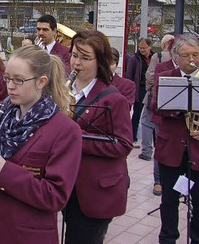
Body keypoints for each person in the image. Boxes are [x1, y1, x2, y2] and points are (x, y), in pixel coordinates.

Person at [0, 45, 82, 244]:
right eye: (7, 78)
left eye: (18, 80)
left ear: (41, 82)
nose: (10, 86)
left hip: (23, 234)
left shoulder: (65, 130)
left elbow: (55, 196)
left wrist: (4, 169)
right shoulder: (2, 118)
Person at [63, 30, 133, 243]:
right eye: (74, 55)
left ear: (99, 61)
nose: (77, 63)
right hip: (69, 185)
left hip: (96, 190)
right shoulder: (63, 91)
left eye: (85, 58)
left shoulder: (113, 99)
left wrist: (76, 137)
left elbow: (123, 145)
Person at [151, 34, 199, 244]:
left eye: (196, 54)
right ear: (176, 57)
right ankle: (168, 238)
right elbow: (155, 106)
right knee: (169, 201)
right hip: (171, 149)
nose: (192, 60)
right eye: (186, 56)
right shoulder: (166, 76)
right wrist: (180, 109)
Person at [139, 34, 174, 162]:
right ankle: (162, 151)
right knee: (162, 124)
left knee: (146, 123)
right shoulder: (176, 58)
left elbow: (150, 75)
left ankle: (147, 151)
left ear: (163, 44)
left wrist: (149, 89)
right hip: (170, 97)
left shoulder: (157, 56)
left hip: (154, 95)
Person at [125, 36, 154, 149]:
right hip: (139, 89)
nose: (142, 50)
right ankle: (133, 138)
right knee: (136, 115)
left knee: (149, 116)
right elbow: (129, 75)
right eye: (140, 48)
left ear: (149, 46)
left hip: (149, 89)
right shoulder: (134, 58)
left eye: (144, 48)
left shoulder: (154, 57)